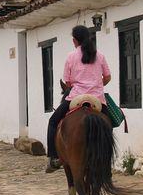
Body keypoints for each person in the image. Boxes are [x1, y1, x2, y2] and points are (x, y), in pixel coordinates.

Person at [45, 25, 111, 173]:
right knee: (109, 124)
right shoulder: (99, 55)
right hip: (97, 99)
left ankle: (53, 157)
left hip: (76, 97)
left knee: (53, 121)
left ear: (75, 40)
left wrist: (77, 84)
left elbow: (67, 83)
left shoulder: (71, 56)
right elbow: (107, 77)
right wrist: (97, 85)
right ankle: (107, 159)